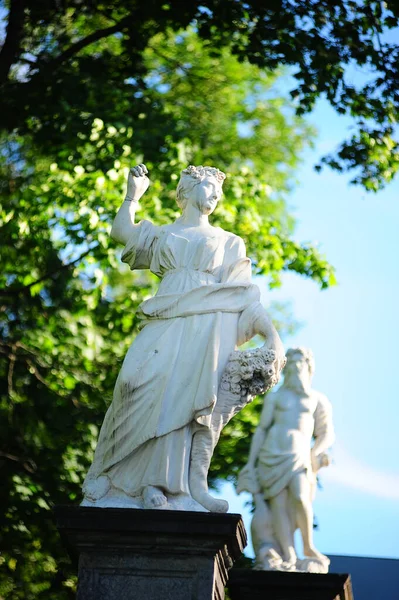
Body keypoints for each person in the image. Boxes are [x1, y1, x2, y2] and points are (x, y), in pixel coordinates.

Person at [82, 163, 285, 512]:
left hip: (207, 325)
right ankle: (116, 478)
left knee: (180, 397)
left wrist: (272, 336)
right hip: (166, 314)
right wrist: (133, 195)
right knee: (133, 383)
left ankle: (161, 486)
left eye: (218, 191)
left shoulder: (229, 242)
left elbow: (245, 298)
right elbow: (121, 233)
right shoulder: (163, 234)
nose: (216, 195)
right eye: (208, 186)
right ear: (187, 191)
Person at [237, 347, 334, 571]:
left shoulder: (317, 399)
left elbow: (327, 433)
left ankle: (308, 547)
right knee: (278, 505)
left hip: (300, 455)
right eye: (289, 364)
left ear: (308, 368)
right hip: (271, 454)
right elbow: (262, 429)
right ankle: (288, 552)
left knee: (301, 498)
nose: (293, 368)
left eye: (298, 363)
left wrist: (315, 452)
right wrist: (251, 464)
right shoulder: (276, 396)